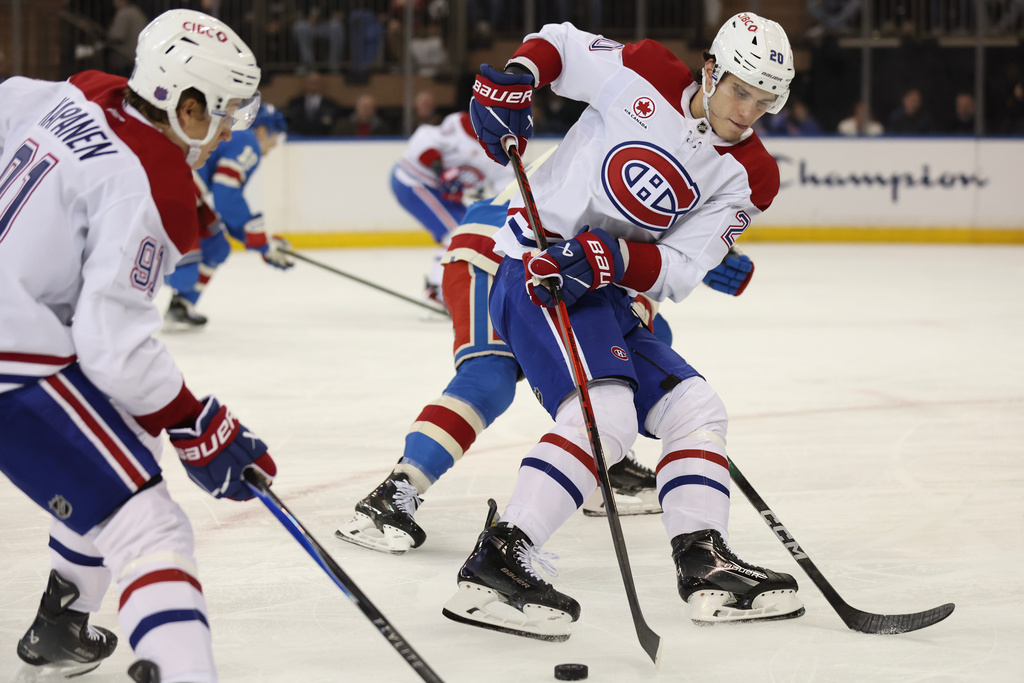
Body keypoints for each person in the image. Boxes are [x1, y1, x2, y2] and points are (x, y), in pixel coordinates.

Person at [440, 13, 804, 641]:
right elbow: (558, 43)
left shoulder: (752, 175)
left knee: (696, 409)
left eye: (764, 101)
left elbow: (684, 266)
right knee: (604, 416)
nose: (748, 112)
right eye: (740, 91)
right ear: (711, 72)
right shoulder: (647, 69)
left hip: (607, 295)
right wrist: (520, 77)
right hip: (539, 270)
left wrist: (612, 257)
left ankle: (705, 562)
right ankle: (499, 560)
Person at [0, 9, 278, 682]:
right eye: (224, 112)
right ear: (188, 105)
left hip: (19, 334)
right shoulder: (151, 185)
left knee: (126, 434)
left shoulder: (79, 92)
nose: (228, 130)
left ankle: (64, 620)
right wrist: (194, 420)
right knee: (152, 529)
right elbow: (112, 344)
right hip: (15, 358)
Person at [337, 160, 694, 555]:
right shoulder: (669, 159)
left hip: (564, 262)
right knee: (490, 375)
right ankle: (396, 489)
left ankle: (603, 463)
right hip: (499, 247)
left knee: (638, 344)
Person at [164, 102, 294, 329]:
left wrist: (261, 243)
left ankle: (181, 307)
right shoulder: (249, 141)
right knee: (183, 271)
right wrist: (259, 240)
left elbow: (226, 201)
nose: (275, 144)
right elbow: (226, 195)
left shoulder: (239, 137)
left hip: (186, 194)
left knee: (217, 247)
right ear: (263, 131)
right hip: (177, 194)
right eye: (276, 136)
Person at [388, 109, 512, 305]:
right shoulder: (461, 125)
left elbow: (507, 186)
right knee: (455, 234)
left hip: (443, 193)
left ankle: (444, 290)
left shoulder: (505, 148)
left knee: (466, 232)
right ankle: (436, 292)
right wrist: (440, 170)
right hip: (414, 180)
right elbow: (423, 138)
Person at [283, 71, 345, 136]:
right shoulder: (294, 104)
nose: (313, 83)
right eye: (310, 81)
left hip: (323, 140)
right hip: (299, 140)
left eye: (316, 81)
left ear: (322, 84)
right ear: (305, 83)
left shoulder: (331, 106)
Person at [293, 3, 346, 74]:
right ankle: (308, 65)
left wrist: (337, 15)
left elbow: (340, 12)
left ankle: (334, 66)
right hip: (308, 24)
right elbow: (297, 12)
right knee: (299, 27)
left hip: (325, 23)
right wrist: (308, 18)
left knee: (337, 26)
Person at [105, 0, 148, 76]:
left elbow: (117, 36)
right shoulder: (136, 11)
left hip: (127, 59)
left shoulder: (123, 13)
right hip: (140, 57)